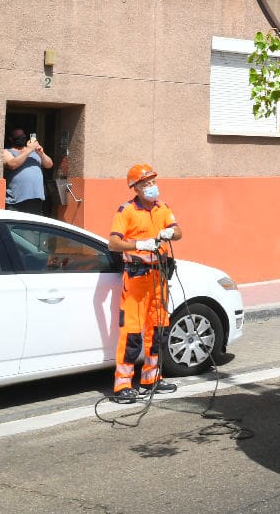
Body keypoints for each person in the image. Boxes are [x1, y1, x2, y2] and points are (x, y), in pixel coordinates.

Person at [109, 163, 182, 403]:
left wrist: (170, 233)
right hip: (137, 279)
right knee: (131, 332)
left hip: (159, 277)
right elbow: (113, 243)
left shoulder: (163, 208)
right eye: (147, 183)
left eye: (153, 182)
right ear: (136, 188)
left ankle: (152, 379)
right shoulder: (127, 210)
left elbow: (178, 232)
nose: (152, 186)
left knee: (158, 331)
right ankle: (122, 385)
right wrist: (139, 245)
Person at [2, 130, 53, 216]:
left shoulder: (35, 152)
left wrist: (41, 153)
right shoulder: (7, 151)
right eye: (18, 136)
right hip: (16, 200)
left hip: (35, 198)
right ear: (11, 138)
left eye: (23, 135)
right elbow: (12, 164)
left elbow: (49, 165)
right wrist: (29, 150)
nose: (21, 137)